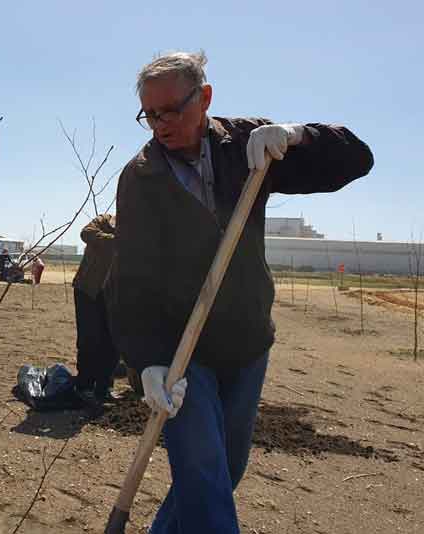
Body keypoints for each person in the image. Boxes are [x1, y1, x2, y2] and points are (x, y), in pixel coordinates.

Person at [110, 51, 373, 534]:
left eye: (173, 110)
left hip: (248, 341)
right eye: (151, 114)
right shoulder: (141, 176)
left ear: (204, 97)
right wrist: (146, 361)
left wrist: (298, 136)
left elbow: (357, 159)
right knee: (203, 472)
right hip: (183, 354)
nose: (160, 125)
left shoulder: (245, 146)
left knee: (223, 470)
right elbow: (130, 280)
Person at [72, 214, 118, 403]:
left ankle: (104, 387)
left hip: (113, 295)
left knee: (112, 342)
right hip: (87, 290)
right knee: (89, 339)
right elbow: (86, 233)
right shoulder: (104, 221)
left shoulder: (138, 231)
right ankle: (84, 386)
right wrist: (117, 241)